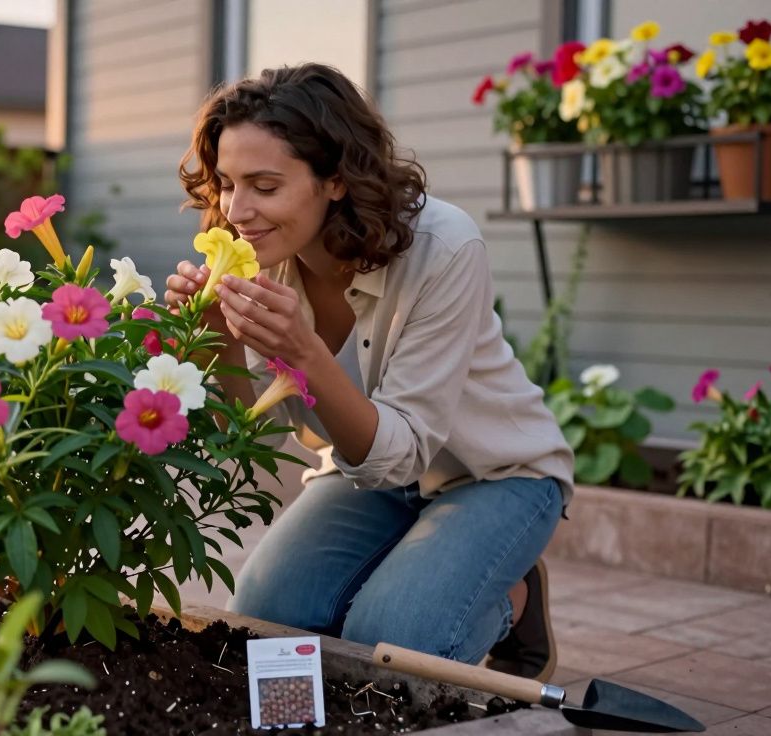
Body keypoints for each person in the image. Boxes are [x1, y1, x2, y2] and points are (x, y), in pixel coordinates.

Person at [164, 63, 574, 680]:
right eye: (226, 183)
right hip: (368, 473)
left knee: (390, 646)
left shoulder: (444, 248)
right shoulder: (260, 260)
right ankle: (412, 577)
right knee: (262, 626)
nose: (236, 210)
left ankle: (513, 599)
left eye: (264, 186)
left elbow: (404, 452)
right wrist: (214, 346)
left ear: (335, 180)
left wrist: (305, 353)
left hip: (495, 473)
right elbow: (264, 437)